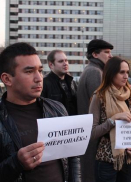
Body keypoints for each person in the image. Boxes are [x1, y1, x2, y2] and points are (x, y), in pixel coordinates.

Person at [0, 42, 81, 182]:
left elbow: (73, 157)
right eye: (29, 71)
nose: (39, 78)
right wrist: (16, 163)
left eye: (40, 70)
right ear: (7, 79)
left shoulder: (57, 108)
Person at [89, 57, 131, 182]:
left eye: (127, 72)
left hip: (128, 158)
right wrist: (112, 120)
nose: (126, 76)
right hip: (107, 159)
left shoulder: (130, 95)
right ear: (111, 73)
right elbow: (92, 132)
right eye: (121, 72)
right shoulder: (99, 96)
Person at [77, 39, 113, 182]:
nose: (110, 56)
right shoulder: (94, 72)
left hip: (93, 132)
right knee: (92, 174)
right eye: (106, 52)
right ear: (95, 54)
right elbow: (102, 106)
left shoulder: (95, 70)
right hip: (94, 134)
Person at [42, 50, 77, 115]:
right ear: (51, 65)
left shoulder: (72, 82)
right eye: (61, 61)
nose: (65, 63)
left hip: (73, 122)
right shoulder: (44, 83)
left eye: (66, 60)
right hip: (55, 123)